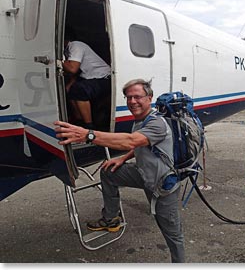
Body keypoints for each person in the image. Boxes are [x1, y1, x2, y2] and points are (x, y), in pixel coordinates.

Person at [54, 79, 185, 263]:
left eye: (137, 96)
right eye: (128, 97)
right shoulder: (141, 120)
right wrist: (123, 158)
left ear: (149, 98)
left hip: (161, 183)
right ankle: (111, 219)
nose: (132, 101)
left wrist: (88, 135)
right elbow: (140, 144)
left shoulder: (157, 123)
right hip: (142, 174)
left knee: (172, 233)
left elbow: (131, 140)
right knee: (109, 172)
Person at [63, 27, 111, 129]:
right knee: (72, 90)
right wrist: (70, 84)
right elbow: (76, 72)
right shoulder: (67, 50)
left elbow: (72, 68)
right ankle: (80, 122)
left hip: (104, 78)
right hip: (90, 77)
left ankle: (89, 127)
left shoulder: (75, 45)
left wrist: (60, 60)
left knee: (80, 90)